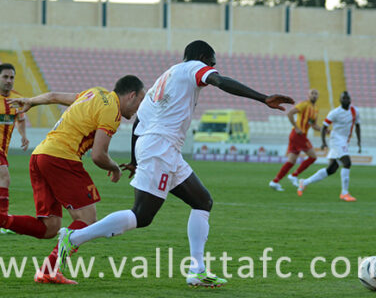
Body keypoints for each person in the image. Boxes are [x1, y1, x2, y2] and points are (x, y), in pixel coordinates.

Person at [57, 40, 294, 287]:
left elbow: (139, 122)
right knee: (142, 215)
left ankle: (197, 270)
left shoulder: (165, 78)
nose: (213, 68)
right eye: (211, 63)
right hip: (161, 147)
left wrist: (136, 160)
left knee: (202, 201)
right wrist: (263, 98)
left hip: (162, 148)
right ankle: (73, 239)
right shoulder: (193, 68)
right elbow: (221, 81)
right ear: (202, 57)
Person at [0, 75, 145, 284]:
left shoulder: (94, 91)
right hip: (62, 158)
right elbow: (98, 155)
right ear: (131, 96)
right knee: (87, 218)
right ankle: (49, 269)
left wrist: (32, 101)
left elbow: (53, 96)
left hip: (40, 155)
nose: (138, 108)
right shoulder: (112, 111)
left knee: (49, 226)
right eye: (140, 100)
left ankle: (3, 220)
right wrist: (115, 167)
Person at [298, 91, 361, 201]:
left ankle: (304, 182)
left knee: (331, 169)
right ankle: (344, 193)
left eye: (347, 98)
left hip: (345, 141)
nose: (345, 100)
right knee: (347, 162)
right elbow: (324, 127)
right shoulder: (335, 112)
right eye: (343, 98)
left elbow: (357, 126)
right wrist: (323, 142)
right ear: (340, 100)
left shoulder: (355, 111)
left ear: (350, 100)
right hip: (336, 139)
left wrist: (359, 141)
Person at [269, 89, 321, 191]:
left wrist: (324, 130)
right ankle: (294, 175)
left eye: (316, 94)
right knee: (313, 157)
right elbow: (290, 113)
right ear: (308, 95)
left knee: (291, 161)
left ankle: (275, 182)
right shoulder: (304, 105)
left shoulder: (315, 109)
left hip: (298, 135)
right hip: (298, 135)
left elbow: (313, 125)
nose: (314, 96)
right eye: (312, 93)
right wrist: (296, 127)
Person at [0, 63, 29, 234]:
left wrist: (23, 135)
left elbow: (21, 119)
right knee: (4, 177)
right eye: (5, 77)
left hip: (4, 150)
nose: (9, 81)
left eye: (11, 77)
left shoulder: (17, 99)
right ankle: (3, 219)